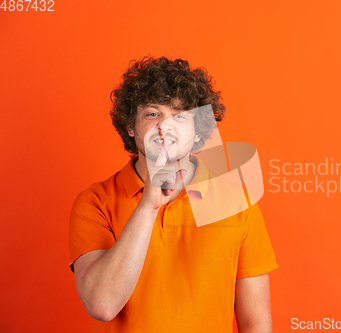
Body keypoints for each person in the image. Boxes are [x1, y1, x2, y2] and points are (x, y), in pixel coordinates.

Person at [68, 56, 279, 333]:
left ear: (196, 133)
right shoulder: (94, 202)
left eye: (180, 116)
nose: (165, 127)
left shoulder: (237, 201)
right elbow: (102, 305)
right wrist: (147, 207)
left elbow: (256, 323)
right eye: (153, 114)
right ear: (131, 127)